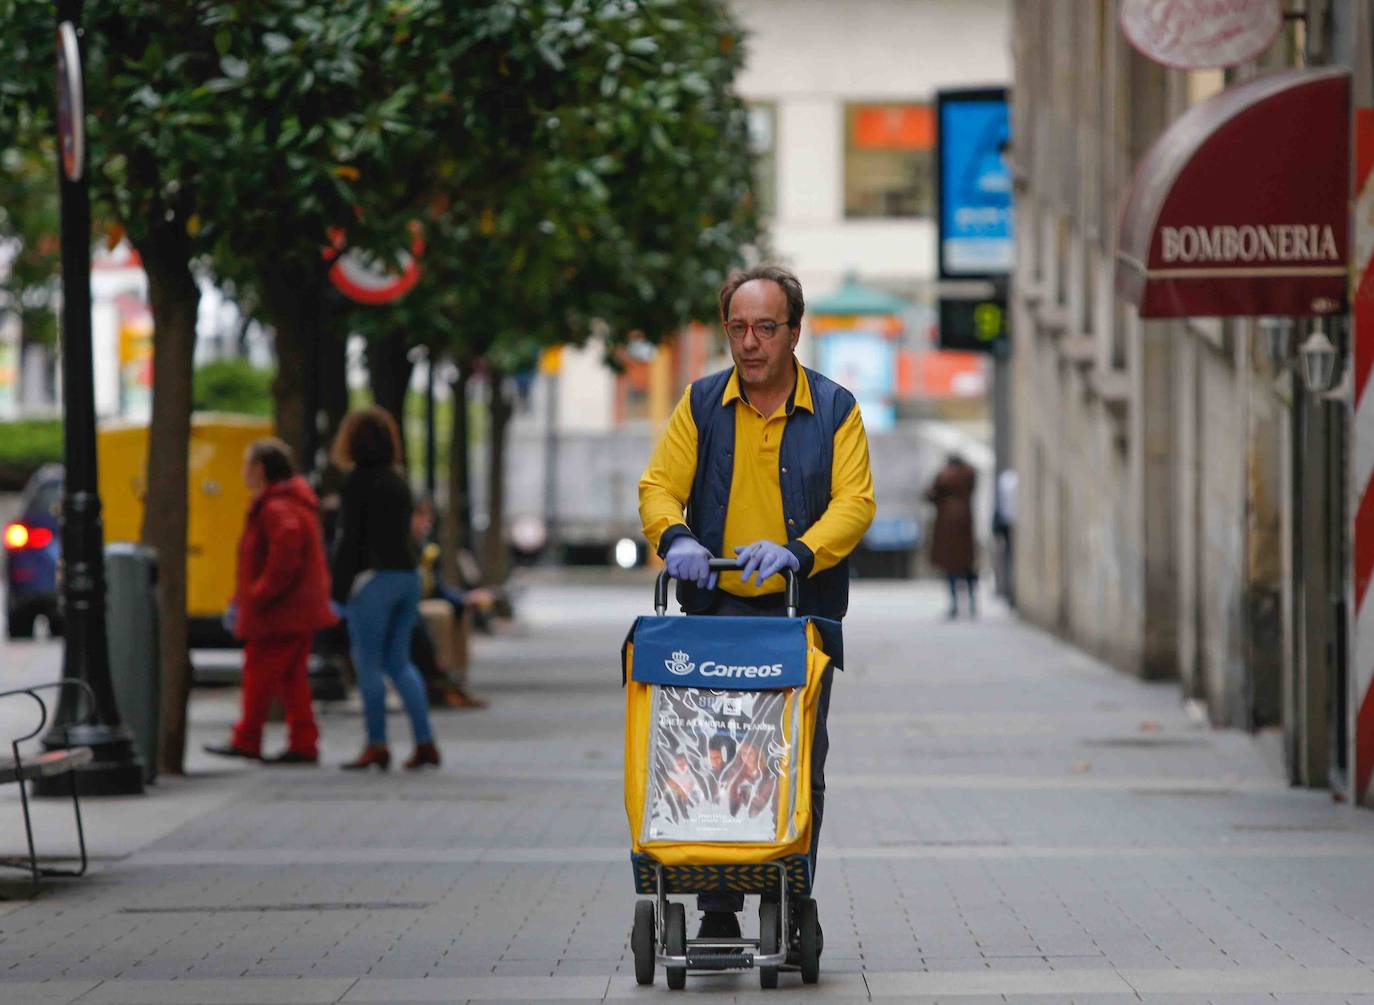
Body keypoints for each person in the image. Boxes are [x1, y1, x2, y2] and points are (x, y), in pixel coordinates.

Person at [638, 264, 876, 942]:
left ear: (793, 332)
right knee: (713, 757)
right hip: (716, 616)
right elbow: (658, 485)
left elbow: (855, 502)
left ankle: (793, 889)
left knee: (797, 762)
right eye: (737, 327)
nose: (749, 342)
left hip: (800, 616)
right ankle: (717, 907)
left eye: (765, 328)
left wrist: (799, 550)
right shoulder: (701, 403)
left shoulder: (835, 409)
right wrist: (676, 535)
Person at [205, 438, 336, 765]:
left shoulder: (276, 507)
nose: (243, 473)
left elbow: (283, 558)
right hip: (295, 611)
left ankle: (248, 738)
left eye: (247, 466)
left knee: (259, 674)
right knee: (292, 680)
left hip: (280, 613)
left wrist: (257, 594)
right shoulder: (290, 503)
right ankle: (303, 742)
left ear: (260, 470)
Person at [330, 407, 441, 771]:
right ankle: (425, 741)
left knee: (369, 665)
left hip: (373, 581)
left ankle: (376, 743)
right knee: (400, 662)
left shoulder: (356, 483)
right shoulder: (398, 481)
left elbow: (350, 540)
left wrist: (338, 589)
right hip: (407, 576)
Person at [927, 453, 978, 618]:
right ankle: (971, 603)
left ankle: (955, 604)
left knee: (951, 568)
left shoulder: (944, 476)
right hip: (964, 524)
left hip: (947, 527)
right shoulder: (968, 475)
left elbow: (930, 495)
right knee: (967, 566)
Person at [992, 467, 1017, 607]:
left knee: (1008, 558)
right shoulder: (1009, 480)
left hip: (1006, 524)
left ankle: (1009, 592)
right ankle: (1009, 592)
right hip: (1010, 525)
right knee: (1009, 558)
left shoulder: (1006, 480)